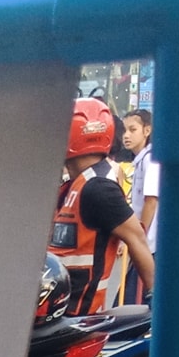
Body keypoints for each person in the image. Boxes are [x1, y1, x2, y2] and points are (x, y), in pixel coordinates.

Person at [50, 98, 154, 313]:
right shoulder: (73, 185)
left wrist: (158, 300)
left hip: (76, 316)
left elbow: (137, 239)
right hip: (53, 308)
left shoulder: (98, 189)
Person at [121, 107, 158, 304]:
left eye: (132, 130)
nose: (126, 135)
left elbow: (150, 200)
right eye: (124, 130)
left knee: (136, 300)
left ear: (147, 130)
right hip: (144, 242)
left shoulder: (151, 159)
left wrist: (139, 235)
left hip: (149, 244)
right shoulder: (141, 159)